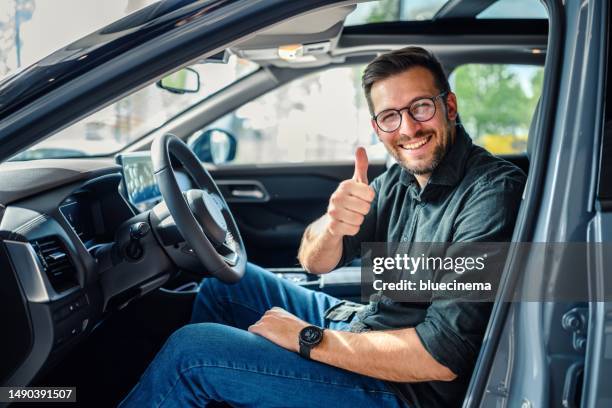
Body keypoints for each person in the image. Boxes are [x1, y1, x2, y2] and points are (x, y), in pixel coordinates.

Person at [120, 47, 526, 408]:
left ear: (449, 107)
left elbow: (441, 358)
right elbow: (314, 262)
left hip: (404, 390)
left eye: (421, 107)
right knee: (226, 287)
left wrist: (308, 338)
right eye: (390, 116)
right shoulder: (400, 180)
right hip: (365, 322)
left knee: (193, 353)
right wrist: (332, 227)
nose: (407, 128)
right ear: (377, 126)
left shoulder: (489, 193)